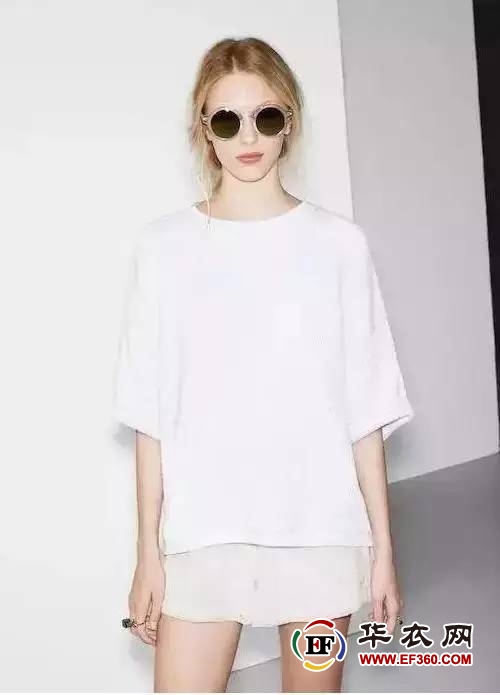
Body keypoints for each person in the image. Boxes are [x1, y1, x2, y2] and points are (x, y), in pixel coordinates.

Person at [112, 36, 414, 693]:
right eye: (227, 120)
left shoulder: (340, 246)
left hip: (320, 533)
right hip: (202, 534)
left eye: (265, 116)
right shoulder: (164, 249)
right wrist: (148, 555)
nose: (248, 136)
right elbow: (149, 417)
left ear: (290, 122)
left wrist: (383, 551)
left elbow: (364, 408)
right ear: (204, 129)